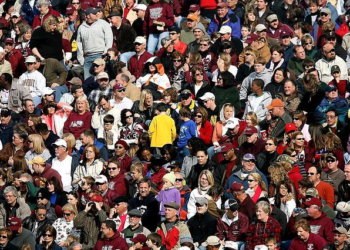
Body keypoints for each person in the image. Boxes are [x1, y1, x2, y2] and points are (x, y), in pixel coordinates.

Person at [76, 7, 113, 79]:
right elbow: (79, 43)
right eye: (94, 13)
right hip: (87, 57)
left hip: (100, 55)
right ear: (88, 16)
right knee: (87, 81)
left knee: (100, 79)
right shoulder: (81, 27)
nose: (97, 14)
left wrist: (106, 53)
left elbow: (109, 39)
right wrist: (81, 59)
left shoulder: (104, 24)